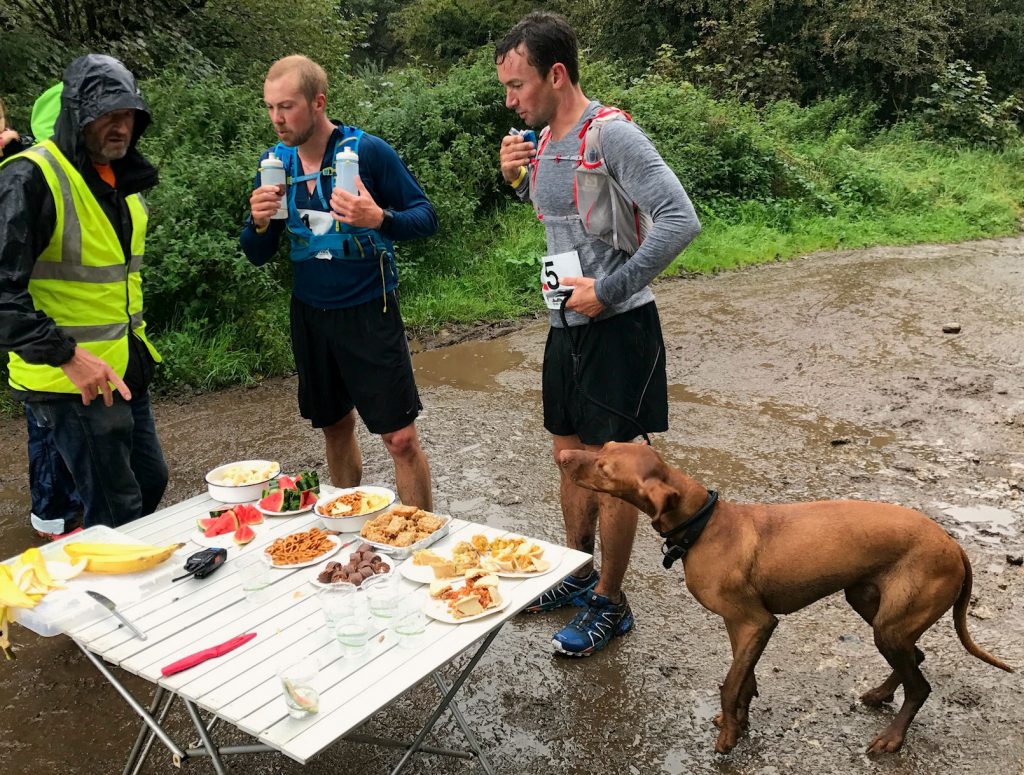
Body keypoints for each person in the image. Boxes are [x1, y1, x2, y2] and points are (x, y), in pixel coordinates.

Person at [496, 12, 702, 656]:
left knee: (612, 468)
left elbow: (680, 219)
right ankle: (575, 573)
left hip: (618, 327)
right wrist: (516, 178)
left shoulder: (611, 135)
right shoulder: (544, 138)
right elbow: (572, 219)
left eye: (518, 86)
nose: (510, 100)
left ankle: (610, 603)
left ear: (556, 75)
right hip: (565, 324)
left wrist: (608, 290)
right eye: (506, 89)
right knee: (570, 458)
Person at [241, 55, 438, 509]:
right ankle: (349, 527)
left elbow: (426, 218)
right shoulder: (274, 164)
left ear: (318, 102)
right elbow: (256, 253)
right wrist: (257, 224)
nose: (277, 118)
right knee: (334, 425)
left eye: (287, 106)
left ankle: (421, 541)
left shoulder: (367, 152)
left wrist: (380, 218)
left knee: (401, 439)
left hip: (369, 308)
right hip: (310, 313)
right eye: (270, 107)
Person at [0, 55, 169, 529]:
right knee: (114, 512)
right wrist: (66, 355)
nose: (120, 127)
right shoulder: (30, 178)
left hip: (120, 370)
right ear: (77, 114)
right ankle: (108, 598)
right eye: (107, 115)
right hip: (67, 379)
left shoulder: (122, 181)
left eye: (128, 116)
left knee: (149, 480)